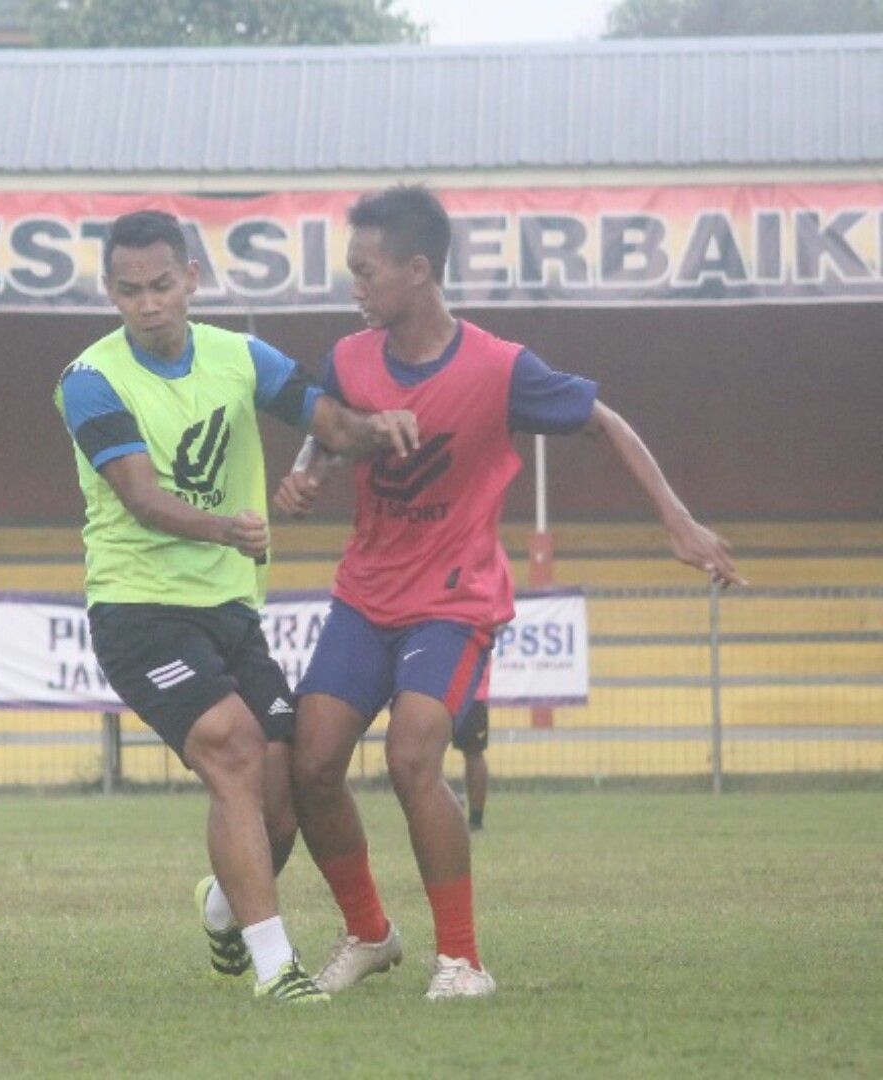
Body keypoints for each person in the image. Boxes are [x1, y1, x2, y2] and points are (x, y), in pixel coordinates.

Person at [274, 184, 743, 1000]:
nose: (353, 285)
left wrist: (678, 522)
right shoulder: (349, 358)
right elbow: (329, 432)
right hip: (364, 594)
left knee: (414, 753)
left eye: (365, 269)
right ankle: (369, 934)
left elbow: (606, 420)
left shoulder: (499, 367)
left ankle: (461, 960)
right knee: (312, 764)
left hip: (453, 599)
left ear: (419, 271)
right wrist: (305, 473)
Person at [55, 209, 418, 1003]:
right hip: (137, 608)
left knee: (283, 789)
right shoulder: (89, 381)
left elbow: (321, 416)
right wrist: (229, 525)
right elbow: (141, 497)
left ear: (191, 278)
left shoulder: (240, 356)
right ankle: (274, 969)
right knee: (233, 747)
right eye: (129, 290)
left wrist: (369, 426)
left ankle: (223, 907)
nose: (148, 304)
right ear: (108, 292)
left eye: (160, 285)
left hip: (231, 608)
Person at [455, 679, 489, 833]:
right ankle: (475, 820)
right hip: (465, 692)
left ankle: (476, 819)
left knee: (474, 753)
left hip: (470, 692)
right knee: (473, 753)